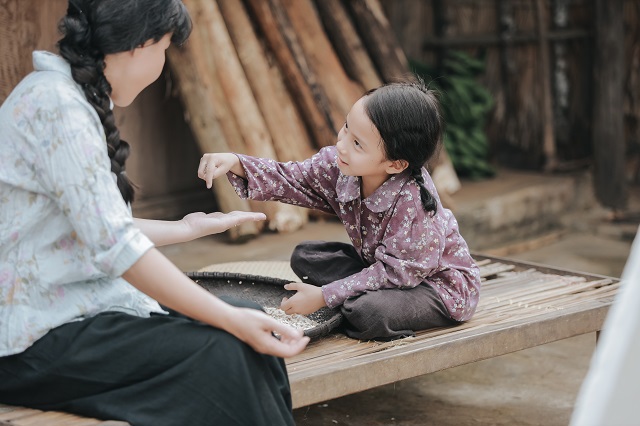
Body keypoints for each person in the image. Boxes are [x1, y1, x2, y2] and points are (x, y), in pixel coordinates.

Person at [0, 1, 309, 425]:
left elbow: (95, 228)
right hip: (27, 336)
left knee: (250, 321)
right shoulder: (59, 108)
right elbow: (115, 248)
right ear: (138, 45)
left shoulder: (64, 97)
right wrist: (227, 319)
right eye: (164, 47)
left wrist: (186, 229)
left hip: (69, 312)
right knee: (222, 352)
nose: (162, 60)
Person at [198, 81, 482, 341]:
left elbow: (397, 275)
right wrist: (235, 162)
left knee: (369, 312)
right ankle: (348, 305)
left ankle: (356, 312)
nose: (341, 146)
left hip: (432, 288)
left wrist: (324, 296)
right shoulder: (339, 165)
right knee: (307, 256)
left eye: (357, 144)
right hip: (378, 268)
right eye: (346, 128)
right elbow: (292, 178)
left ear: (396, 164)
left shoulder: (414, 203)